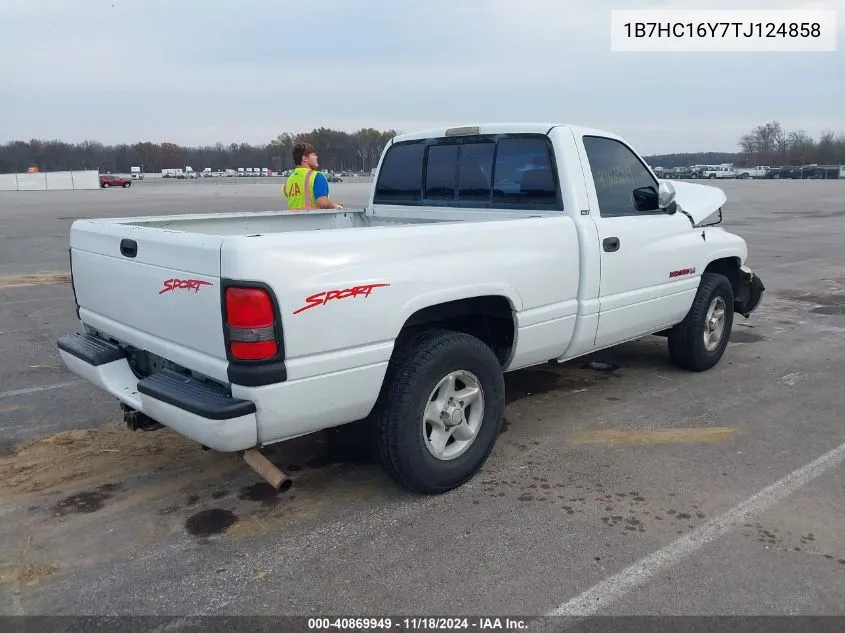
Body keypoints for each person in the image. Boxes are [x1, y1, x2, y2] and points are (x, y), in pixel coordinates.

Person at [282, 142, 343, 210]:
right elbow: (323, 203)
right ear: (305, 158)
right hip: (313, 219)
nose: (316, 157)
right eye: (313, 155)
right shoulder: (316, 176)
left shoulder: (289, 180)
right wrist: (335, 206)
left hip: (293, 220)